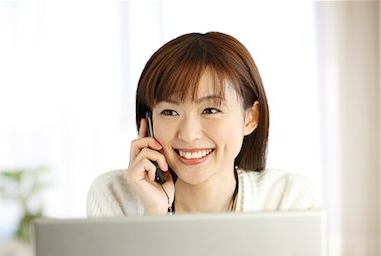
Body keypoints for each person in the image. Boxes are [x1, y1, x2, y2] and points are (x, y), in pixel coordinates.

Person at [87, 31, 317, 217]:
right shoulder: (114, 196)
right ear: (148, 121)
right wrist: (154, 214)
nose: (189, 134)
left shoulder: (286, 200)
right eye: (169, 111)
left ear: (250, 118)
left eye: (211, 110)